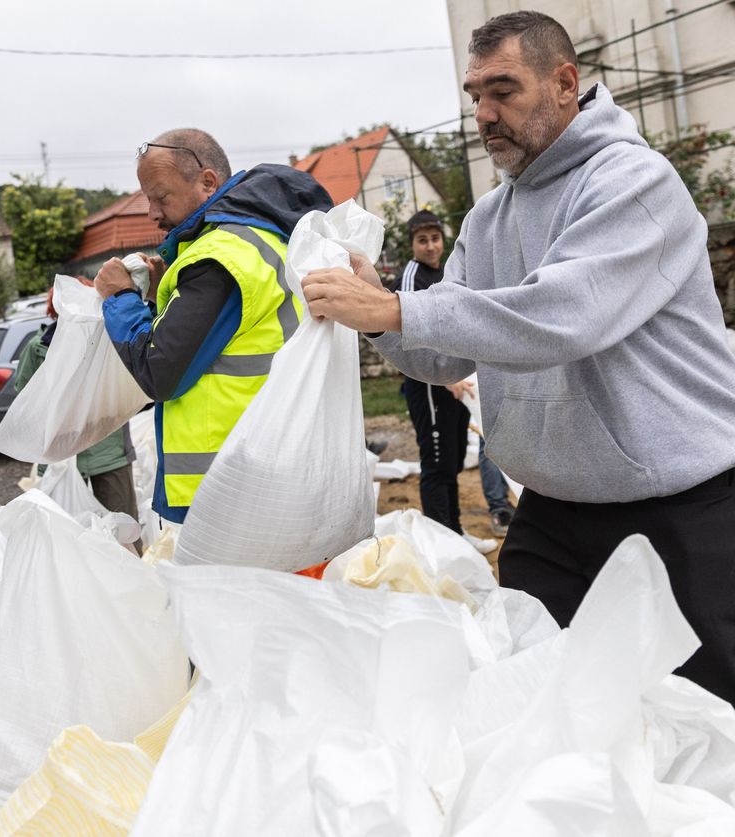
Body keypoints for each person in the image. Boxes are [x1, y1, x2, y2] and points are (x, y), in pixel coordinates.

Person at [300, 11, 735, 702]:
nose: (484, 113)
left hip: (677, 512)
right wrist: (380, 312)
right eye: (475, 96)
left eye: (503, 90)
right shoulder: (489, 216)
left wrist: (400, 308)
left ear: (565, 83)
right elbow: (447, 355)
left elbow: (563, 314)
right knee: (549, 710)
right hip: (553, 515)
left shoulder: (633, 183)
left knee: (706, 721)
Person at [94, 128, 332, 523]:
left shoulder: (218, 259)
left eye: (161, 197)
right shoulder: (262, 238)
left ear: (207, 182)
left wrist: (120, 299)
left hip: (229, 488)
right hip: (272, 466)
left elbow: (159, 370)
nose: (152, 213)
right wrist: (160, 301)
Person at [390, 210, 495, 554]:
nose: (431, 246)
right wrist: (443, 377)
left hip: (456, 383)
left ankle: (455, 534)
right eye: (422, 240)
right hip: (429, 387)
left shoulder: (448, 272)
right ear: (412, 245)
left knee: (451, 460)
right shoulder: (411, 276)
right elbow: (408, 329)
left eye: (435, 238)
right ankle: (440, 546)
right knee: (435, 463)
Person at [14, 284, 142, 551]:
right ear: (56, 310)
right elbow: (24, 401)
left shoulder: (110, 342)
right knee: (61, 539)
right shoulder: (38, 349)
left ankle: (130, 587)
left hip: (109, 454)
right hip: (58, 458)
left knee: (123, 535)